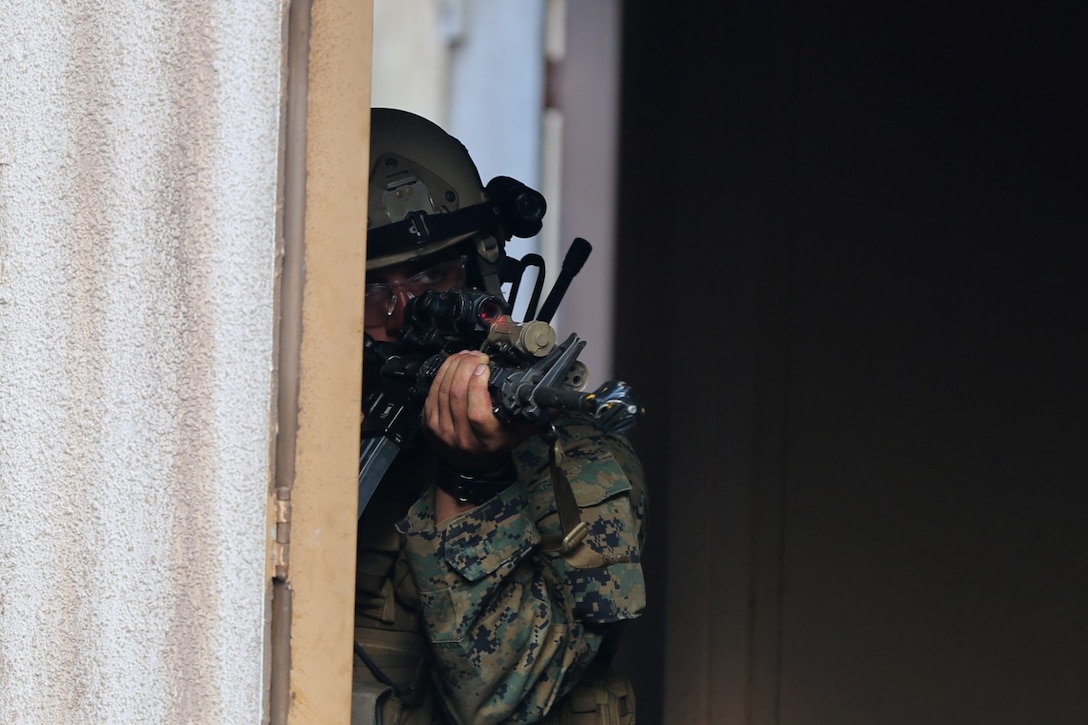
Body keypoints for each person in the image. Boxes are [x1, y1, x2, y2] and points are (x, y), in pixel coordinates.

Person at [352, 108, 647, 724]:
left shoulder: (579, 463)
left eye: (434, 275)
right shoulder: (295, 432)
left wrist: (473, 481)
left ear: (482, 270)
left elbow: (503, 702)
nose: (407, 314)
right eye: (374, 288)